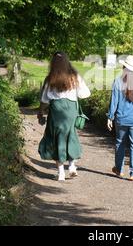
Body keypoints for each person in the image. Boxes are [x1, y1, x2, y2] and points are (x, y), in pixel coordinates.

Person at [37, 51, 91, 181]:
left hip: (56, 110)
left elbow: (45, 99)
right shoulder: (74, 76)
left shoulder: (50, 78)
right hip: (71, 110)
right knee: (70, 135)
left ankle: (61, 172)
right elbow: (85, 94)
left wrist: (41, 112)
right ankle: (72, 166)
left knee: (56, 138)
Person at [107, 55, 133, 182]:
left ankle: (119, 170)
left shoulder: (118, 81)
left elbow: (114, 102)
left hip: (121, 118)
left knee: (120, 143)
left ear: (125, 67)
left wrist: (110, 117)